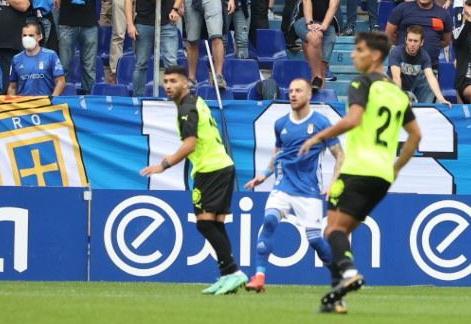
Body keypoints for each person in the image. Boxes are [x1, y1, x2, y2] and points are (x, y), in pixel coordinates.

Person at [297, 31, 423, 314]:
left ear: (375, 56)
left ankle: (350, 274)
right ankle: (337, 298)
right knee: (342, 235)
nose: (353, 55)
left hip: (356, 169)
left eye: (359, 50)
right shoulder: (396, 92)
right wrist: (397, 166)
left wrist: (318, 137)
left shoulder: (361, 82)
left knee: (332, 230)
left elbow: (353, 119)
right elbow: (415, 135)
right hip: (382, 175)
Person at [139, 67, 247, 295]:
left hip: (211, 169)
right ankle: (229, 274)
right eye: (165, 81)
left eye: (173, 81)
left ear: (186, 83)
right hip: (221, 166)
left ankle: (233, 272)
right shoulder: (195, 101)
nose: (168, 85)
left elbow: (190, 144)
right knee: (214, 223)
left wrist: (163, 165)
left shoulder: (186, 107)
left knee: (206, 223)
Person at [243, 78, 341, 292]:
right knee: (269, 220)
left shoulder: (322, 123)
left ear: (308, 95)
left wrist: (334, 182)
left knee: (315, 240)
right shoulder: (281, 124)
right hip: (283, 185)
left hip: (308, 189)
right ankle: (259, 276)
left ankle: (338, 273)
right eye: (291, 90)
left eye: (299, 91)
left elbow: (340, 156)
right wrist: (264, 175)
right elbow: (279, 154)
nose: (293, 94)